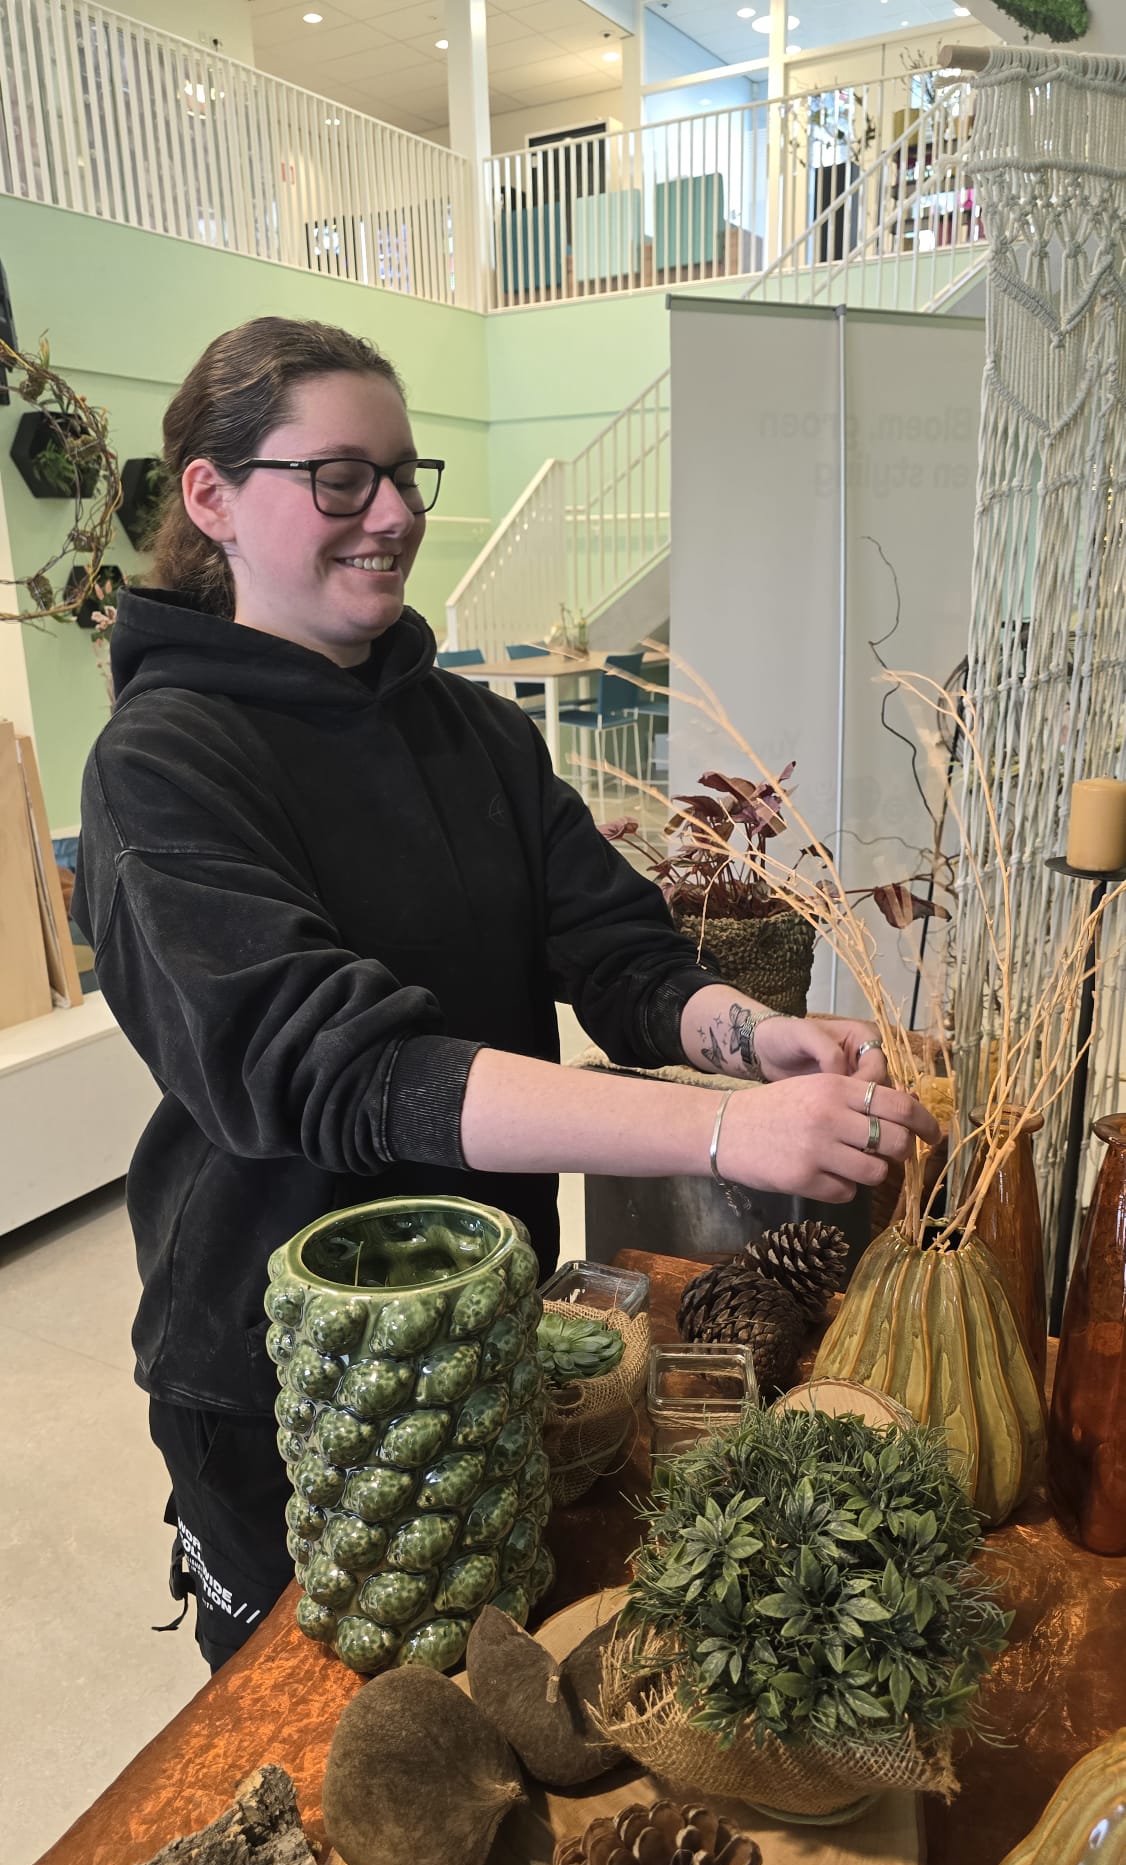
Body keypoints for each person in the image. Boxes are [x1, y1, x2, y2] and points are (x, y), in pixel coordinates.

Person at [73, 316, 937, 1670]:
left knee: (484, 1675)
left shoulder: (468, 727)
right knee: (314, 1726)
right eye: (339, 478)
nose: (394, 514)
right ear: (212, 497)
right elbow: (342, 1072)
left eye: (405, 475)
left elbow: (615, 952)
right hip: (284, 1367)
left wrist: (753, 1038)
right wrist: (712, 1135)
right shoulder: (162, 764)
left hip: (494, 1320)